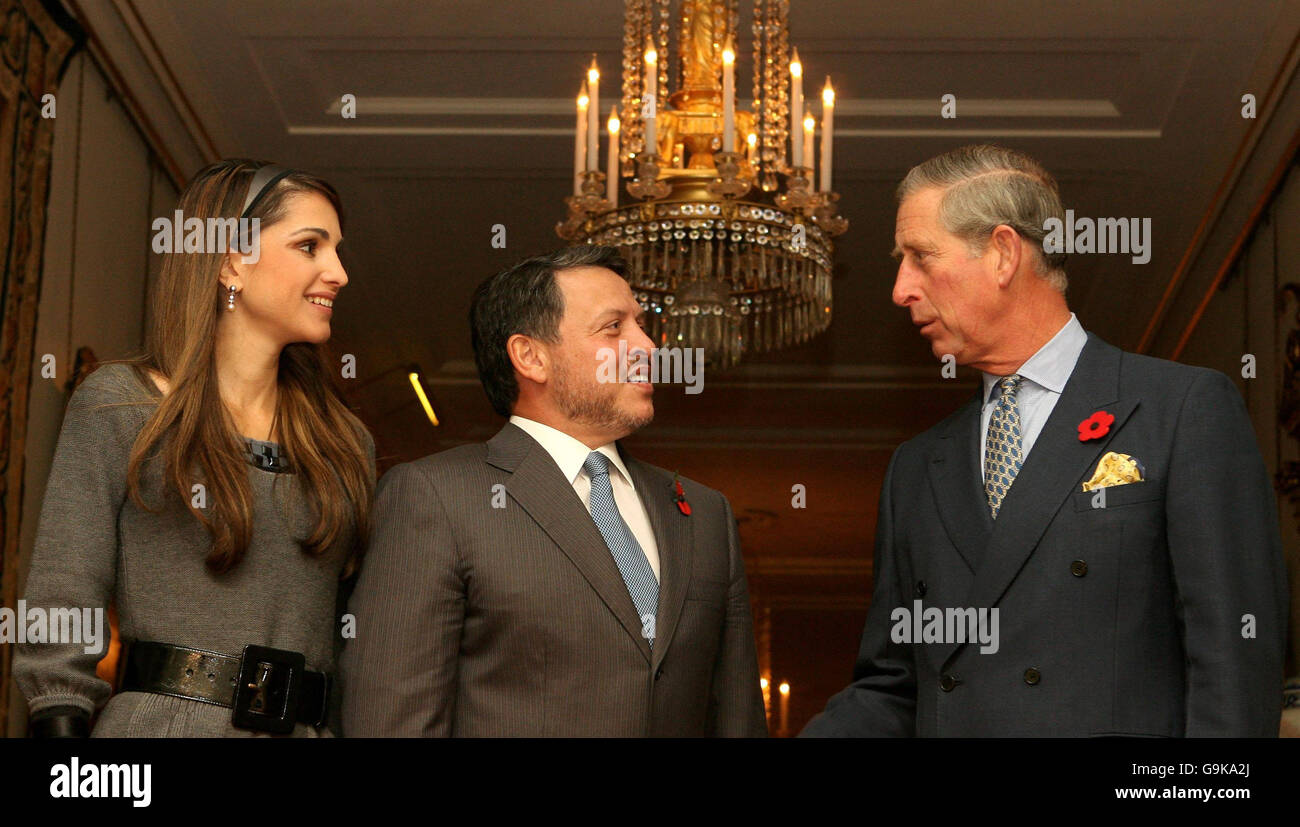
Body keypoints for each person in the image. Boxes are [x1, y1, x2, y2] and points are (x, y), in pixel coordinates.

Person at [802, 144, 1288, 737]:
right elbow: (895, 686)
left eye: (920, 257)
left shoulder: (1180, 410)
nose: (901, 288)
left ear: (1003, 253)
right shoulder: (917, 466)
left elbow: (1232, 670)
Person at [341, 245, 767, 736]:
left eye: (641, 324)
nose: (649, 348)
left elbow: (737, 719)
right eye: (614, 328)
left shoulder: (705, 513)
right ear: (531, 356)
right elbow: (392, 722)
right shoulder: (436, 497)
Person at [15, 159, 375, 737]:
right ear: (232, 260)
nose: (338, 272)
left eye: (336, 250)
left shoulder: (345, 441)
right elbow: (63, 597)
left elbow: (356, 635)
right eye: (310, 246)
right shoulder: (122, 405)